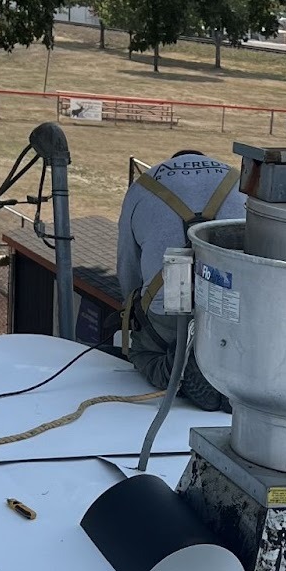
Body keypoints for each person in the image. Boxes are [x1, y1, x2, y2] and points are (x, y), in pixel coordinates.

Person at [115, 149, 244, 410]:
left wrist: (135, 310)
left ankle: (179, 366)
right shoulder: (238, 182)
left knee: (142, 352)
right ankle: (234, 371)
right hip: (235, 309)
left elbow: (128, 271)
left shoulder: (143, 187)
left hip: (170, 313)